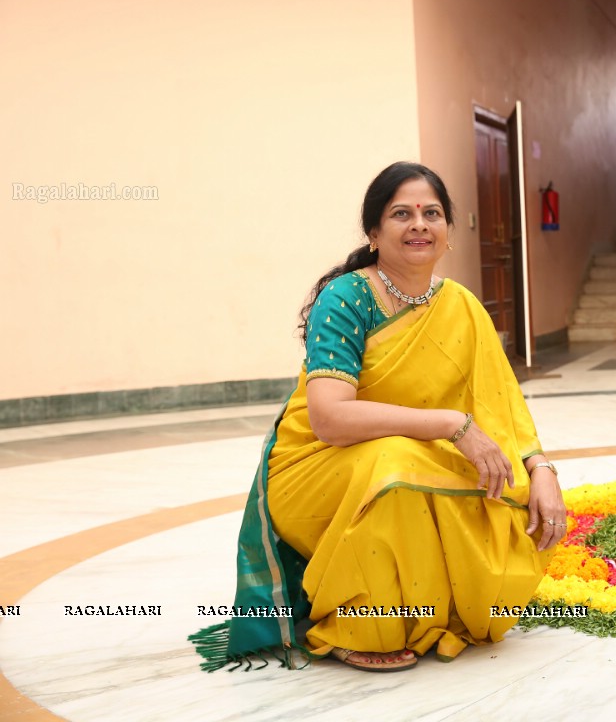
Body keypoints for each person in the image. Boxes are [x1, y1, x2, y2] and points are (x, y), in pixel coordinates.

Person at [194, 162, 566, 673]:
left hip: (408, 456)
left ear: (448, 231)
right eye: (401, 214)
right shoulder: (347, 298)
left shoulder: (461, 307)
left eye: (431, 213)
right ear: (374, 232)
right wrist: (448, 425)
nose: (419, 224)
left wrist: (541, 468)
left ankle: (425, 613)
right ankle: (359, 621)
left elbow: (503, 405)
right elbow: (329, 419)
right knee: (396, 464)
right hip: (317, 468)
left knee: (489, 479)